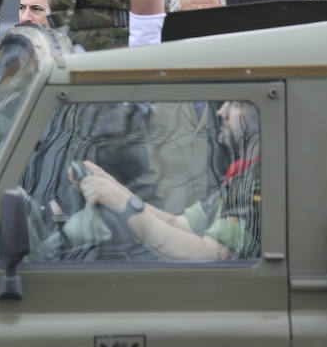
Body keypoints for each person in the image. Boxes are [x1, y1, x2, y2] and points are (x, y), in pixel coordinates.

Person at [74, 100, 261, 260]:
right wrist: (110, 186)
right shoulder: (242, 178)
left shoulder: (260, 184)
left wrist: (123, 204)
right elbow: (177, 223)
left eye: (237, 104)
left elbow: (211, 255)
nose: (221, 112)